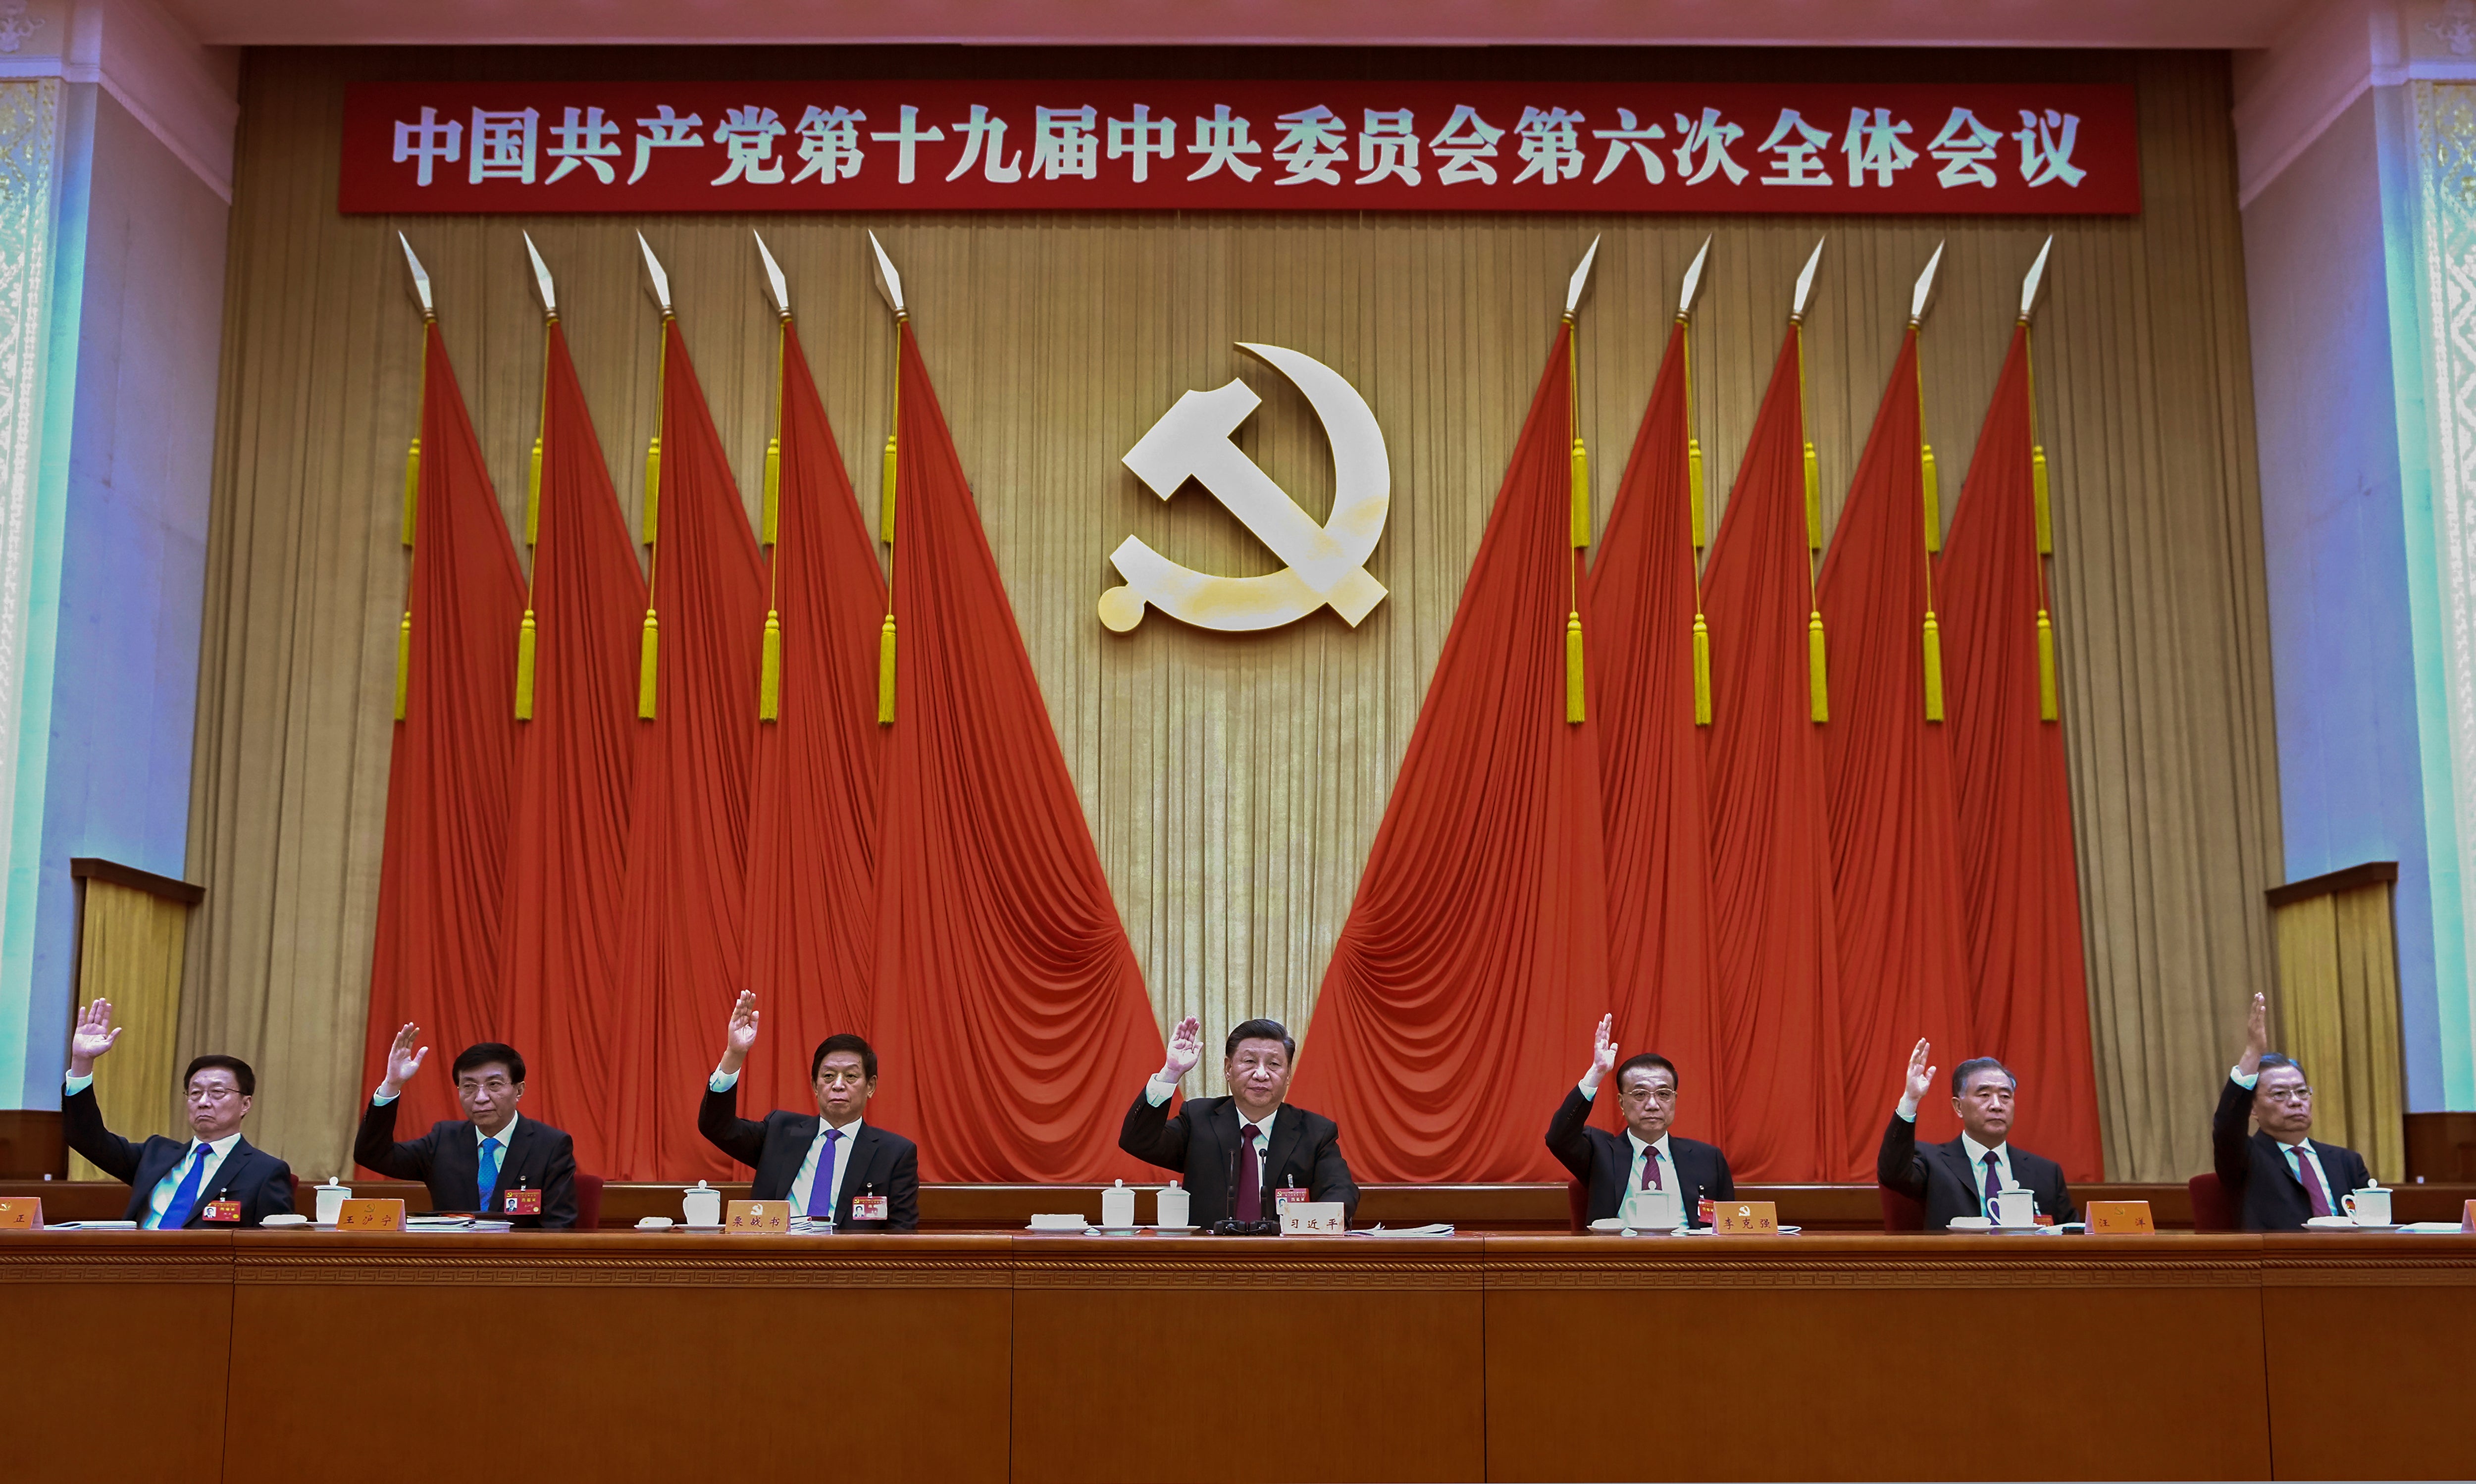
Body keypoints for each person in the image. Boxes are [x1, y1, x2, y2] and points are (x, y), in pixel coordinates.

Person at [59, 997, 293, 1228]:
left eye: (217, 1092)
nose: (203, 1102)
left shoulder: (264, 1171)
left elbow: (271, 1249)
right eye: (195, 1093)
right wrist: (82, 1062)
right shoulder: (154, 1156)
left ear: (245, 1104)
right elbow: (85, 1137)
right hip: (137, 1262)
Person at [697, 990, 918, 1231]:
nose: (838, 1084)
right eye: (829, 1076)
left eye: (851, 1076)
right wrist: (734, 1055)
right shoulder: (779, 1133)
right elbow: (716, 1126)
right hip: (773, 1262)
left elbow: (902, 1235)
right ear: (815, 1085)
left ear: (871, 1086)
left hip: (849, 1266)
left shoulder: (895, 1154)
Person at [1119, 1015, 1357, 1226]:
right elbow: (1137, 1141)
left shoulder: (1316, 1132)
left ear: (1288, 1075)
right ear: (1228, 1069)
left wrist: (1313, 1226)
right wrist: (1170, 1073)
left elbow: (1340, 1191)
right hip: (1207, 1265)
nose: (1261, 1074)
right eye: (1250, 1062)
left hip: (1286, 1265)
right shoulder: (1199, 1119)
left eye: (1274, 1064)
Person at [353, 1025, 579, 1228]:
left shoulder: (550, 1146)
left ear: (519, 1091)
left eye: (494, 1085)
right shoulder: (443, 1141)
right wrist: (392, 1085)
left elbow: (560, 1226)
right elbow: (371, 1154)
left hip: (520, 1267)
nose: (481, 1098)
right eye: (469, 1086)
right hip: (452, 1265)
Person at [1546, 1014, 1734, 1226]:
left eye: (1663, 1094)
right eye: (1640, 1095)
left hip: (1688, 1257)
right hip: (1619, 1257)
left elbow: (1729, 1228)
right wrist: (1596, 1073)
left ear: (1674, 1100)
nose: (1652, 1105)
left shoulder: (1708, 1159)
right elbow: (1558, 1137)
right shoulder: (1600, 1153)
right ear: (1621, 1103)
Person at [1878, 1038, 2079, 1229]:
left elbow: (2072, 1235)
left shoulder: (2046, 1173)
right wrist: (1910, 1100)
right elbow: (1892, 1174)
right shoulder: (1932, 1163)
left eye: (2005, 1096)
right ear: (1958, 1107)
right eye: (1984, 1095)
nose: (1997, 1105)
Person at [2213, 991, 2373, 1230]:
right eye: (2279, 1094)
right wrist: (2252, 1053)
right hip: (2281, 1263)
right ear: (2253, 1109)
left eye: (2301, 1092)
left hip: (2349, 1262)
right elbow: (2227, 1126)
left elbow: (2374, 1225)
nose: (2296, 1101)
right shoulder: (2245, 1159)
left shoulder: (2347, 1162)